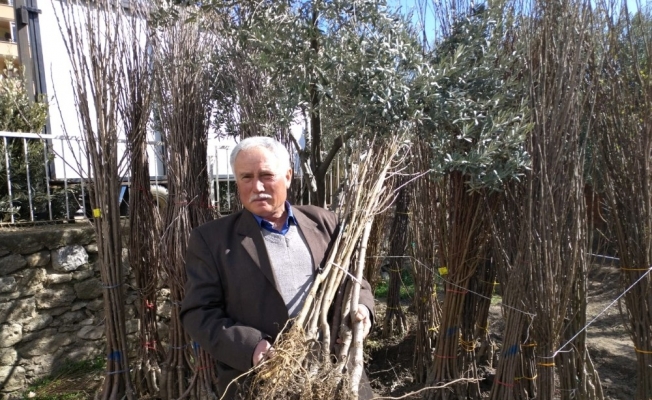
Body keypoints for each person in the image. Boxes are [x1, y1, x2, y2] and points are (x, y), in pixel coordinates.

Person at [180, 136, 376, 399]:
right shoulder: (212, 239)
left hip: (335, 373)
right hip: (261, 381)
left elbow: (354, 281)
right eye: (246, 177)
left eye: (266, 175)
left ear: (288, 176)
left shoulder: (325, 223)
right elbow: (198, 312)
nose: (257, 186)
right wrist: (250, 347)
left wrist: (362, 308)